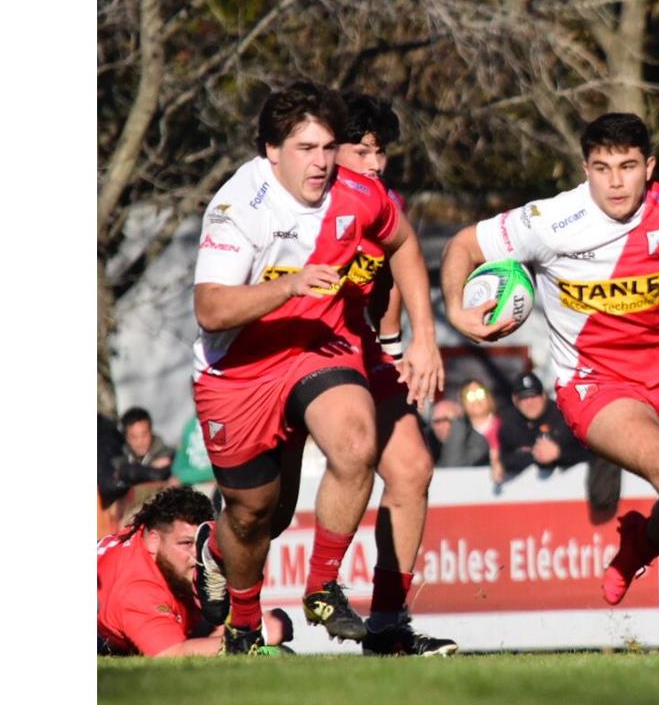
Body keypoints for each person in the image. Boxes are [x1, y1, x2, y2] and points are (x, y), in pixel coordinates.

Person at [440, 112, 659, 639]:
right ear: (585, 168)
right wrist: (455, 308)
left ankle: (637, 544)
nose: (615, 182)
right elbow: (462, 246)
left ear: (648, 167)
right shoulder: (550, 221)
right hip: (594, 384)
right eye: (602, 168)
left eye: (627, 166)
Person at [189, 80, 442, 655]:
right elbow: (210, 309)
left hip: (322, 345)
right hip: (240, 369)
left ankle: (325, 589)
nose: (322, 162)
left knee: (358, 444)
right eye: (306, 149)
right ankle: (243, 623)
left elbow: (403, 243)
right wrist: (289, 287)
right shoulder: (238, 209)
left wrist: (421, 339)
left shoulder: (358, 194)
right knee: (256, 514)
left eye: (328, 148)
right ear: (271, 151)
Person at [334, 91, 456, 656]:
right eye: (361, 151)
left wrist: (399, 347)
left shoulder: (386, 203)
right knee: (269, 506)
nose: (375, 163)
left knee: (412, 468)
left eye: (380, 151)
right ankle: (236, 619)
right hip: (291, 357)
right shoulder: (299, 204)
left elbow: (390, 278)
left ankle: (387, 627)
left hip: (361, 352)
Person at [97, 486, 291, 656]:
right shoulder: (138, 587)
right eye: (186, 543)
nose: (197, 553)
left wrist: (246, 627)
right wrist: (260, 634)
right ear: (153, 540)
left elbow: (212, 628)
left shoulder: (160, 547)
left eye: (202, 542)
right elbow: (171, 654)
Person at [497, 372, 591, 478]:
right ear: (514, 400)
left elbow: (588, 452)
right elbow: (504, 460)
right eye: (524, 397)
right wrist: (534, 454)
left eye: (534, 395)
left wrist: (559, 453)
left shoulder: (563, 415)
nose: (530, 402)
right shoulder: (509, 421)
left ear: (544, 395)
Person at [113, 407, 177, 524]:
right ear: (126, 438)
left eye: (144, 435)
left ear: (151, 432)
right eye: (134, 437)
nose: (140, 442)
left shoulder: (167, 455)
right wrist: (150, 470)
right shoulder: (120, 459)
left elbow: (163, 475)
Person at [426, 398, 491, 467]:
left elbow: (453, 466)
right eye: (436, 421)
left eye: (446, 419)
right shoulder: (430, 444)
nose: (441, 426)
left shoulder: (478, 442)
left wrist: (457, 425)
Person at [459, 380, 503, 480]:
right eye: (470, 395)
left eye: (480, 393)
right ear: (462, 401)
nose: (476, 400)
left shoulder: (504, 425)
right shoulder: (459, 432)